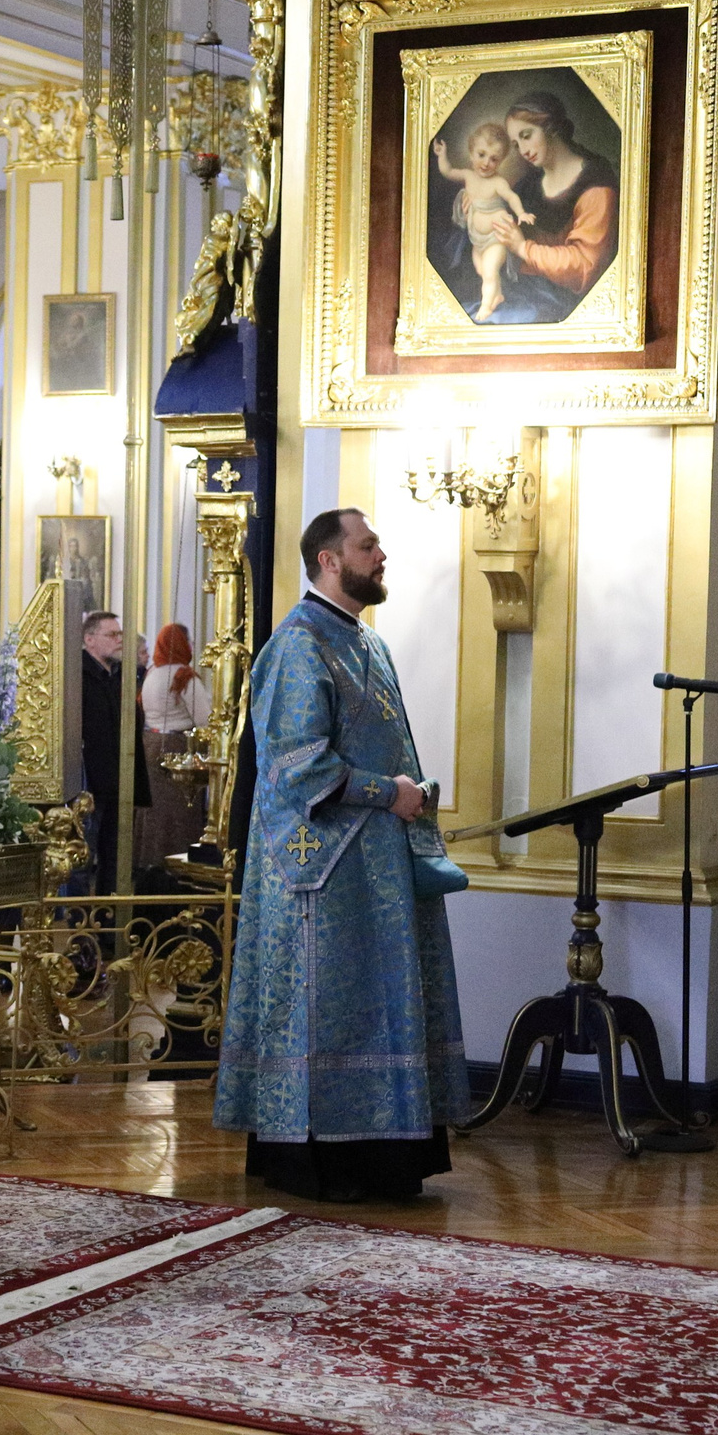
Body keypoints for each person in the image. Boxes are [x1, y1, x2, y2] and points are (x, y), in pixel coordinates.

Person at [216, 509, 469, 1204]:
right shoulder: (298, 647)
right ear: (330, 560)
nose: (380, 554)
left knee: (384, 1004)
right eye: (367, 545)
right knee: (331, 1009)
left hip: (375, 869)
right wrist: (390, 792)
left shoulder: (365, 643)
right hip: (319, 879)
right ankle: (322, 1161)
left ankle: (390, 1154)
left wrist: (409, 796)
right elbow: (298, 768)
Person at [477, 90, 619, 324]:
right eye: (516, 144)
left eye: (526, 135)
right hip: (519, 291)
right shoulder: (528, 184)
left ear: (551, 127)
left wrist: (523, 248)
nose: (522, 150)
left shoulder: (595, 185)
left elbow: (584, 265)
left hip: (563, 306)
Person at [77, 609, 151, 892]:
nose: (119, 640)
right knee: (83, 858)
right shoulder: (79, 676)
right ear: (90, 639)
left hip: (121, 782)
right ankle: (79, 929)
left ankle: (108, 930)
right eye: (112, 634)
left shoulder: (121, 674)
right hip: (92, 786)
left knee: (117, 860)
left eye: (120, 634)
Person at [432, 122, 537, 322]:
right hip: (477, 240)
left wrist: (521, 213)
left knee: (489, 271)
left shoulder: (498, 182)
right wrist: (441, 155)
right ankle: (497, 295)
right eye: (481, 155)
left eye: (494, 159)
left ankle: (486, 306)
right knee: (482, 271)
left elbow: (512, 197)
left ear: (500, 162)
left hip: (495, 238)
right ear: (471, 153)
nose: (487, 162)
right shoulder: (468, 175)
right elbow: (447, 172)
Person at [136, 623, 211, 867]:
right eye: (188, 642)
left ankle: (150, 859)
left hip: (150, 744)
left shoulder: (151, 673)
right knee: (180, 811)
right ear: (181, 643)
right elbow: (205, 718)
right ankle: (179, 860)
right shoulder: (183, 676)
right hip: (178, 747)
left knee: (155, 809)